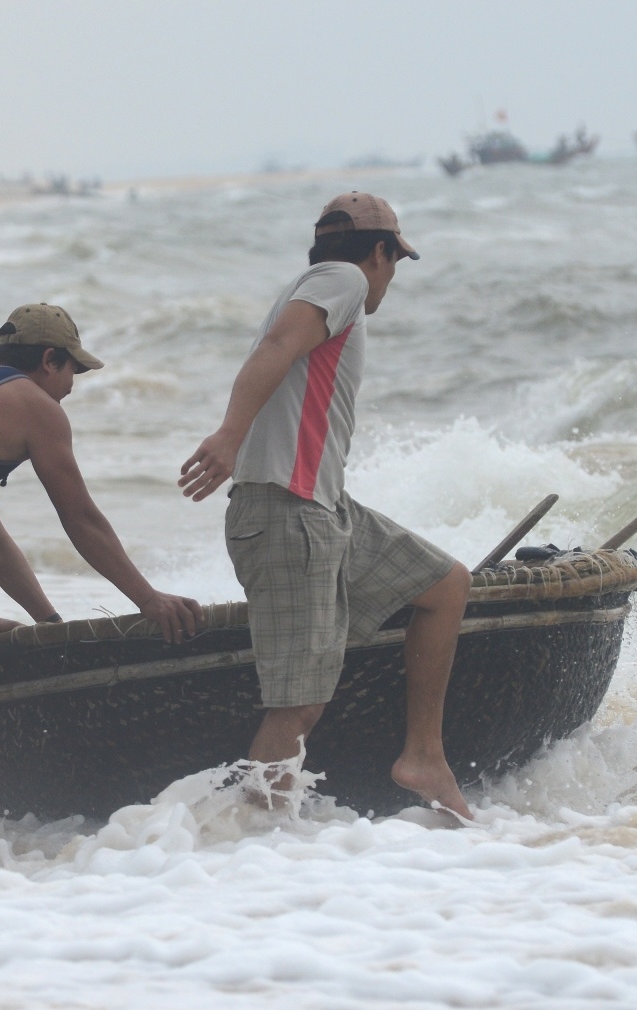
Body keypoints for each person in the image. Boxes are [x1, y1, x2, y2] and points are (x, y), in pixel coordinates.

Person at [178, 193, 475, 820]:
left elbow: (282, 350)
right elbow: (277, 347)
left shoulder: (319, 282)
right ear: (379, 252)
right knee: (298, 703)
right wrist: (230, 434)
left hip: (325, 507)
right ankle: (258, 837)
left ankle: (424, 755)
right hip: (287, 510)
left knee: (445, 584)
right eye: (396, 260)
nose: (391, 275)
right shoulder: (341, 280)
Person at [0, 304, 203, 641]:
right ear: (50, 360)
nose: (71, 386)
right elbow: (81, 519)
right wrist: (148, 599)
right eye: (74, 370)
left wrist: (42, 624)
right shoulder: (34, 406)